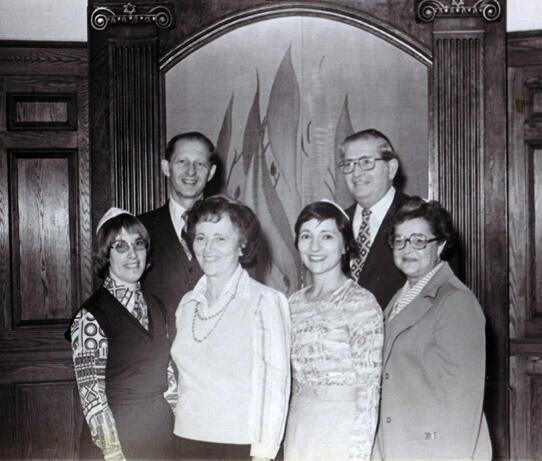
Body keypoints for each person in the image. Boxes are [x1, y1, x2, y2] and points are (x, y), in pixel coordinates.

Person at [170, 195, 291, 460]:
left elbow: (274, 388)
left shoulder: (264, 302)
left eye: (220, 238)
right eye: (200, 237)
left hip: (239, 447)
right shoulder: (187, 304)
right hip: (187, 441)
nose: (208, 248)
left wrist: (264, 453)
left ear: (242, 245)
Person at [375, 197, 491, 460]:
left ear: (440, 245)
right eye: (400, 240)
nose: (408, 249)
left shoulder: (455, 301)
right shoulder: (401, 297)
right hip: (398, 443)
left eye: (418, 240)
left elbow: (463, 403)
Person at [66, 208, 176, 460]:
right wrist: (114, 452)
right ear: (106, 255)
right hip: (117, 443)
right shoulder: (90, 318)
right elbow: (93, 399)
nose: (132, 255)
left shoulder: (157, 306)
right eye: (120, 247)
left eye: (138, 244)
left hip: (160, 436)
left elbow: (169, 382)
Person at [284, 200, 383, 461]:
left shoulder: (361, 303)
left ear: (344, 246)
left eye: (326, 236)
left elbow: (369, 388)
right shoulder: (292, 304)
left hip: (342, 429)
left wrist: (358, 453)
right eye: (306, 236)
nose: (315, 247)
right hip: (300, 426)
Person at [138, 131, 217, 339]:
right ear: (166, 167)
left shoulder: (230, 229)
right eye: (182, 161)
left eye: (200, 163)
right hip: (156, 359)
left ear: (211, 172)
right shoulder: (138, 229)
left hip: (216, 359)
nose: (191, 171)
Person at [339, 129, 409, 309]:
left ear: (391, 168)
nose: (356, 173)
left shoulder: (421, 218)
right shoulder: (336, 221)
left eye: (366, 162)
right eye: (349, 164)